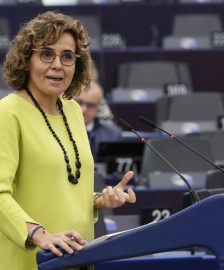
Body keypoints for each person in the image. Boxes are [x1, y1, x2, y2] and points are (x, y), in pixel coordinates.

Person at [0, 11, 136, 270]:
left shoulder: (73, 110)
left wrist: (99, 201)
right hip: (32, 261)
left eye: (67, 57)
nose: (57, 65)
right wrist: (40, 235)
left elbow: (66, 185)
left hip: (78, 258)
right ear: (27, 60)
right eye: (46, 54)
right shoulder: (8, 112)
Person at [74, 80, 122, 160]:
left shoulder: (113, 135)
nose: (83, 109)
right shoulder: (59, 131)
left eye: (90, 105)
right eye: (80, 102)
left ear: (98, 107)